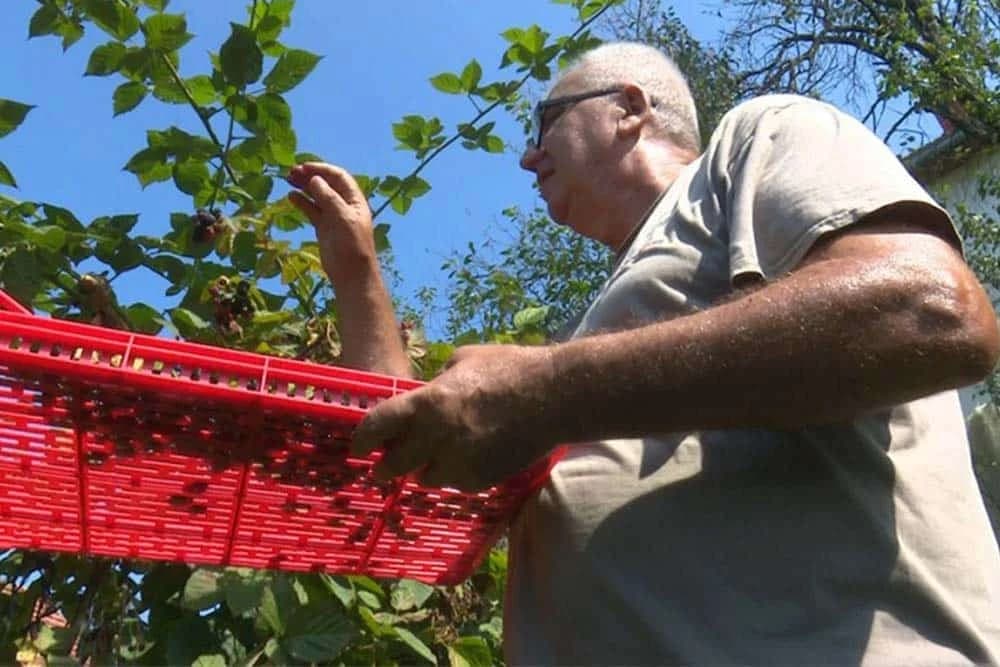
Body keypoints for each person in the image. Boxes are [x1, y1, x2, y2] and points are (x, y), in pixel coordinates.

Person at [288, 41, 1000, 665]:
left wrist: (543, 391)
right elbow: (396, 476)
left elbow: (930, 311)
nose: (527, 156)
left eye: (546, 124)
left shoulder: (756, 141)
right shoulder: (592, 340)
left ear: (628, 107)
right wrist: (357, 273)